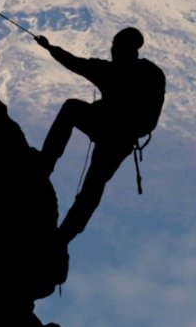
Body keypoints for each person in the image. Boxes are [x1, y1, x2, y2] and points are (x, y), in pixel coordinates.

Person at [36, 27, 165, 244]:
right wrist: (51, 48)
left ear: (123, 48)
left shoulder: (113, 71)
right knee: (94, 184)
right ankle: (64, 236)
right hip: (121, 139)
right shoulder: (150, 73)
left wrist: (50, 48)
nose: (112, 50)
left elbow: (76, 63)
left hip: (110, 130)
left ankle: (45, 165)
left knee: (72, 110)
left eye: (115, 46)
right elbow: (77, 63)